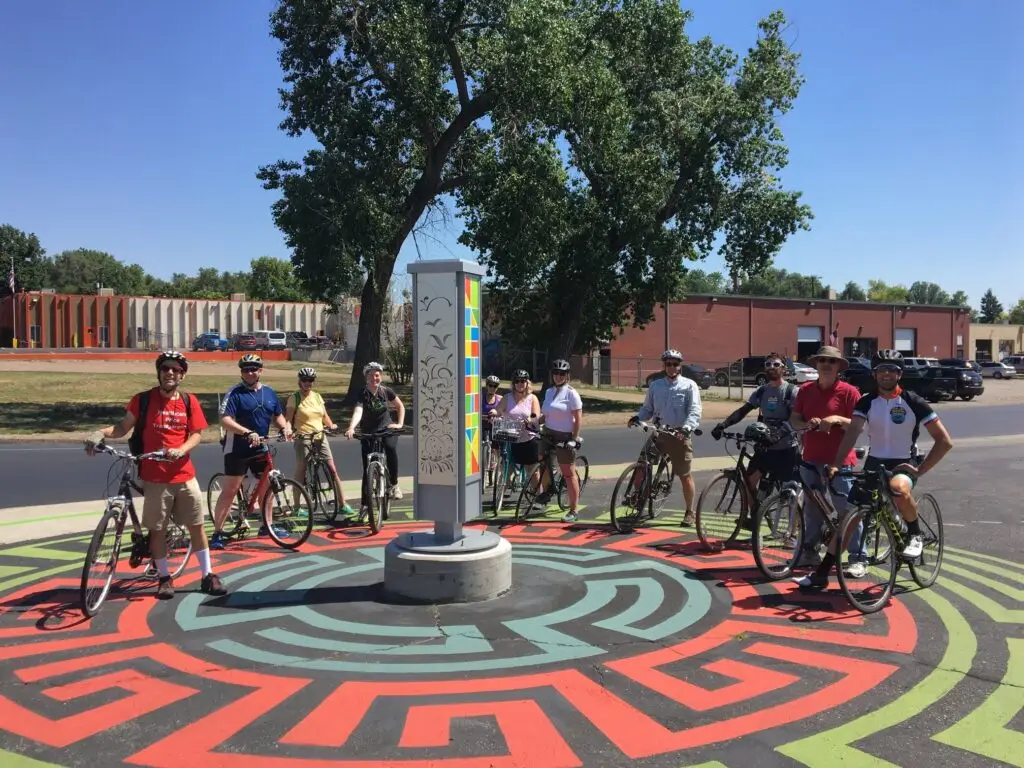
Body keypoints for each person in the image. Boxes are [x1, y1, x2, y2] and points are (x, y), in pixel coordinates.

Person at [795, 349, 954, 588]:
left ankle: (915, 534)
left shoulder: (913, 401)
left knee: (898, 487)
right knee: (847, 519)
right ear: (875, 374)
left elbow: (944, 441)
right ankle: (821, 575)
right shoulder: (867, 402)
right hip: (874, 464)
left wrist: (920, 470)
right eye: (881, 370)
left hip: (903, 463)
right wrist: (837, 464)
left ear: (899, 374)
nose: (886, 374)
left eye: (891, 370)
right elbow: (851, 434)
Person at [85, 351, 227, 599]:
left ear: (182, 375)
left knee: (196, 526)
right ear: (159, 373)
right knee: (158, 529)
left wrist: (181, 450)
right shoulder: (143, 401)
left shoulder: (188, 401)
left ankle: (207, 575)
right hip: (155, 478)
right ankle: (164, 577)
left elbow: (196, 434)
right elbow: (122, 427)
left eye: (175, 369)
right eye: (165, 369)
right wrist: (100, 432)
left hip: (184, 475)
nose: (169, 373)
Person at [788, 345, 863, 569]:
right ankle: (810, 552)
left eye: (831, 362)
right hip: (811, 458)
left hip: (839, 461)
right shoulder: (806, 390)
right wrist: (805, 424)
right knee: (813, 509)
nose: (827, 365)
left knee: (847, 509)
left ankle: (858, 557)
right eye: (822, 361)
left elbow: (859, 425)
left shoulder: (849, 392)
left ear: (839, 366)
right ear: (816, 365)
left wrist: (837, 419)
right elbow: (794, 420)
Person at [210, 353, 293, 550]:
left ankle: (267, 525)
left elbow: (278, 415)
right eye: (246, 369)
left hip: (260, 446)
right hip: (237, 448)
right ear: (241, 372)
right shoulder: (235, 393)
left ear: (260, 371)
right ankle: (217, 533)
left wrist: (285, 428)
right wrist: (247, 432)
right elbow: (225, 420)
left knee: (267, 487)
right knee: (230, 490)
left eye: (253, 369)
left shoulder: (269, 393)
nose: (250, 372)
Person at [712, 352, 800, 520]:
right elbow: (743, 411)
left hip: (786, 449)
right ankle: (753, 518)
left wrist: (778, 433)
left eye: (775, 365)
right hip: (765, 447)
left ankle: (793, 532)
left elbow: (796, 420)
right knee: (748, 483)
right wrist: (723, 425)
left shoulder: (792, 391)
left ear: (784, 368)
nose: (771, 368)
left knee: (790, 493)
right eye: (768, 365)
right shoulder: (761, 391)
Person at [628, 349, 702, 526]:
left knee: (684, 475)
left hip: (678, 435)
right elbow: (648, 409)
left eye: (675, 364)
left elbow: (695, 410)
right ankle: (639, 498)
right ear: (664, 365)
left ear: (680, 366)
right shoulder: (656, 385)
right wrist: (638, 417)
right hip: (659, 433)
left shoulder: (689, 385)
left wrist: (687, 428)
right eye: (668, 364)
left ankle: (689, 512)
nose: (672, 367)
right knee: (641, 465)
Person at [285, 366, 353, 520]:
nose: (307, 383)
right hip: (304, 437)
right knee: (301, 470)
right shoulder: (294, 398)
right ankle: (296, 507)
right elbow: (288, 419)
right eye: (305, 380)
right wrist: (288, 429)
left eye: (310, 380)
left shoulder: (317, 396)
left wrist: (331, 425)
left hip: (320, 436)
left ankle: (343, 504)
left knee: (332, 469)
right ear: (299, 382)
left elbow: (324, 416)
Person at [345, 361, 406, 514]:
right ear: (366, 377)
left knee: (391, 448)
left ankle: (394, 484)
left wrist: (399, 424)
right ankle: (365, 505)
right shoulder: (362, 393)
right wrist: (352, 427)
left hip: (387, 428)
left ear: (381, 376)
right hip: (368, 432)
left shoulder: (386, 391)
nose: (374, 378)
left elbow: (400, 406)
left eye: (377, 375)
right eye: (371, 375)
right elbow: (358, 411)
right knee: (368, 469)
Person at [537, 359, 584, 522]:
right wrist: (535, 421)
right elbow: (546, 415)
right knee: (543, 464)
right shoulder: (549, 392)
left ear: (567, 376)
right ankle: (548, 490)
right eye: (555, 373)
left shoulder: (572, 393)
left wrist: (574, 438)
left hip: (564, 436)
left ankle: (574, 510)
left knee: (569, 473)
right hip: (548, 432)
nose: (558, 376)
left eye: (561, 374)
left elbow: (578, 419)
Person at [497, 369, 542, 483]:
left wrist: (529, 419)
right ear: (513, 383)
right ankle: (500, 496)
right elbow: (498, 410)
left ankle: (537, 496)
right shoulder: (507, 397)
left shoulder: (532, 398)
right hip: (511, 435)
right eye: (517, 381)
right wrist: (494, 412)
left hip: (528, 437)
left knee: (532, 470)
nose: (520, 383)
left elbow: (535, 415)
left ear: (527, 383)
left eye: (523, 381)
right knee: (508, 469)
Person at [482, 374, 503, 485]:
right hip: (482, 425)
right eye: (490, 385)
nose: (492, 388)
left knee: (496, 448)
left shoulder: (499, 399)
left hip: (494, 426)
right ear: (487, 385)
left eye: (495, 386)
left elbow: (503, 412)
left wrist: (497, 417)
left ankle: (495, 467)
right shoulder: (480, 397)